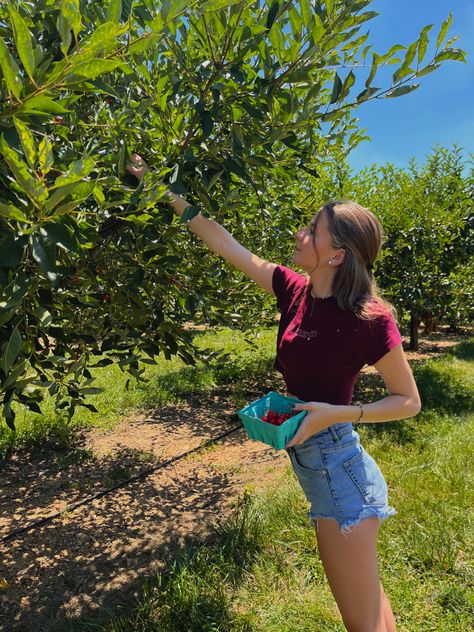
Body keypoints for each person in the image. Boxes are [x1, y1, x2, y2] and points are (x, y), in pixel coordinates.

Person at [126, 154, 421, 632]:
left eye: (312, 230)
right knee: (371, 608)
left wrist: (335, 413)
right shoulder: (294, 290)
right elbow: (224, 242)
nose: (300, 235)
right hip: (319, 466)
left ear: (337, 254)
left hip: (340, 474)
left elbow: (408, 401)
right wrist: (160, 188)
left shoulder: (369, 319)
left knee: (362, 621)